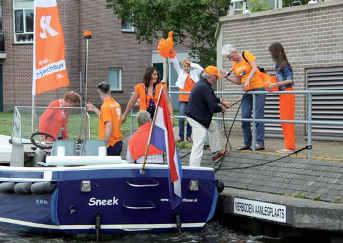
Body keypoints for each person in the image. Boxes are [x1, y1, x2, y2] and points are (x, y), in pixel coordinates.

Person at [222, 44, 266, 151]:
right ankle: (247, 143)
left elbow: (255, 68)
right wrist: (227, 78)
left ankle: (259, 143)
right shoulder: (234, 65)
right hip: (246, 91)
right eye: (227, 58)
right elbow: (238, 81)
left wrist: (248, 79)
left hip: (258, 88)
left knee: (258, 115)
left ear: (233, 52)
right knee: (244, 116)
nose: (229, 59)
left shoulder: (245, 54)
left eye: (229, 57)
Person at [186, 66, 230, 166]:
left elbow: (211, 98)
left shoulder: (203, 85)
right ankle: (193, 171)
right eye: (216, 77)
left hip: (196, 116)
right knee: (198, 144)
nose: (217, 79)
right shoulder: (205, 87)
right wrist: (221, 108)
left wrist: (221, 101)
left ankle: (216, 152)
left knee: (213, 126)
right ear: (211, 77)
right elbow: (213, 107)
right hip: (197, 119)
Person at [169, 51, 203, 142]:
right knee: (181, 118)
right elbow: (175, 63)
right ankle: (181, 136)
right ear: (183, 67)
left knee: (189, 119)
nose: (186, 68)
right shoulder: (181, 73)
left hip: (192, 100)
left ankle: (188, 136)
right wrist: (172, 54)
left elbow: (201, 69)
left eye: (188, 66)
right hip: (183, 99)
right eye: (185, 66)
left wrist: (191, 63)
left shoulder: (194, 73)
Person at [269, 42, 296, 153]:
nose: (271, 55)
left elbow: (290, 80)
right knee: (284, 120)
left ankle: (290, 147)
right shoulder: (279, 65)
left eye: (271, 52)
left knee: (287, 120)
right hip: (283, 94)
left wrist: (274, 85)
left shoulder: (285, 64)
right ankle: (288, 145)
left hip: (288, 93)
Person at [86, 82, 123, 156]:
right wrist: (94, 109)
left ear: (99, 92)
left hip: (110, 144)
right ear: (109, 91)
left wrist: (104, 144)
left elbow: (108, 125)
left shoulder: (105, 106)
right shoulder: (116, 104)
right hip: (118, 142)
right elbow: (106, 118)